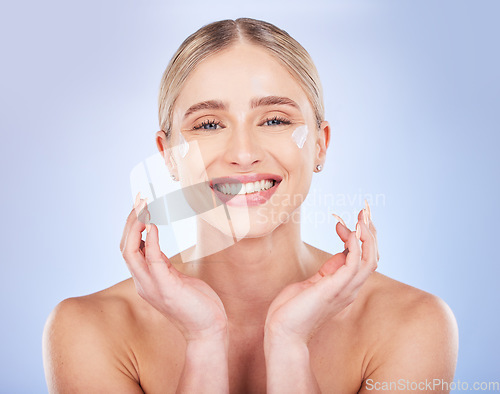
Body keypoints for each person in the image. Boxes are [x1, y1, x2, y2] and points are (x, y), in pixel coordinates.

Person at [42, 18, 458, 393]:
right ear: (167, 155)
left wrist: (289, 343)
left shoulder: (413, 324)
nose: (243, 153)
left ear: (320, 144)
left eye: (275, 120)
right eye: (208, 124)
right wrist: (203, 341)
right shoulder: (87, 330)